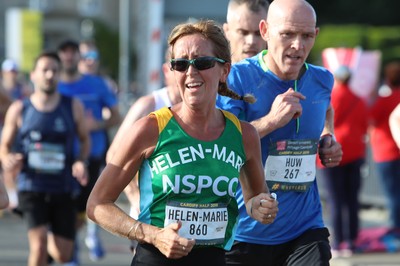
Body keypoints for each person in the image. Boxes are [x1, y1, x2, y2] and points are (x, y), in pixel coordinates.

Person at [87, 19, 279, 266]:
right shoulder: (150, 128)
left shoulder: (244, 135)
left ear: (224, 71)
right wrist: (154, 235)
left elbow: (255, 197)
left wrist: (261, 206)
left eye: (202, 62)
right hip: (156, 259)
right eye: (180, 64)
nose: (190, 71)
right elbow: (97, 204)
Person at [216, 0, 343, 265]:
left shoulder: (322, 79)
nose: (298, 45)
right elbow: (222, 145)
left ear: (315, 35)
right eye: (287, 34)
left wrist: (327, 137)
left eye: (306, 35)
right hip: (245, 230)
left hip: (305, 228)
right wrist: (271, 121)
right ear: (265, 31)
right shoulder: (236, 79)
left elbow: (326, 109)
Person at [0, 51, 90, 266]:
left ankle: (53, 233)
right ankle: (44, 234)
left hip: (63, 186)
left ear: (59, 75)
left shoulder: (72, 106)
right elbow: (4, 145)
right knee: (38, 246)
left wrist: (80, 161)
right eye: (45, 70)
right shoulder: (20, 108)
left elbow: (85, 140)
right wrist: (7, 158)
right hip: (32, 186)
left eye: (54, 71)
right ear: (33, 75)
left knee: (62, 255)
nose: (49, 75)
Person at [106, 47, 182, 253]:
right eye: (180, 66)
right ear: (167, 71)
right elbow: (114, 155)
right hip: (149, 210)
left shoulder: (207, 109)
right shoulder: (149, 105)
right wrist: (134, 196)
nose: (188, 73)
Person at [57, 39, 121, 263]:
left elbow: (116, 116)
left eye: (90, 57)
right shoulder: (55, 84)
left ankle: (83, 237)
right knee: (64, 206)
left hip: (91, 155)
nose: (86, 61)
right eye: (84, 57)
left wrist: (96, 125)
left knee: (85, 207)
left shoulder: (98, 85)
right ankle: (71, 250)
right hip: (60, 157)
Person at [317, 65, 368, 257]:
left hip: (332, 152)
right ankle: (353, 241)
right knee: (352, 199)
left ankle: (339, 242)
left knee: (336, 200)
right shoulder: (359, 99)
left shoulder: (331, 98)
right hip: (356, 151)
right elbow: (365, 125)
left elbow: (320, 122)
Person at [369, 58, 400, 235]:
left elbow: (370, 119)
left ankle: (396, 228)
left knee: (393, 193)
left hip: (386, 152)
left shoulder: (384, 100)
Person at [0, 59, 32, 210]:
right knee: (6, 164)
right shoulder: (2, 89)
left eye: (13, 71)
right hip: (4, 131)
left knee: (18, 164)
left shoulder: (23, 90)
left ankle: (16, 196)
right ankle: (13, 198)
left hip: (20, 133)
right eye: (8, 72)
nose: (11, 75)